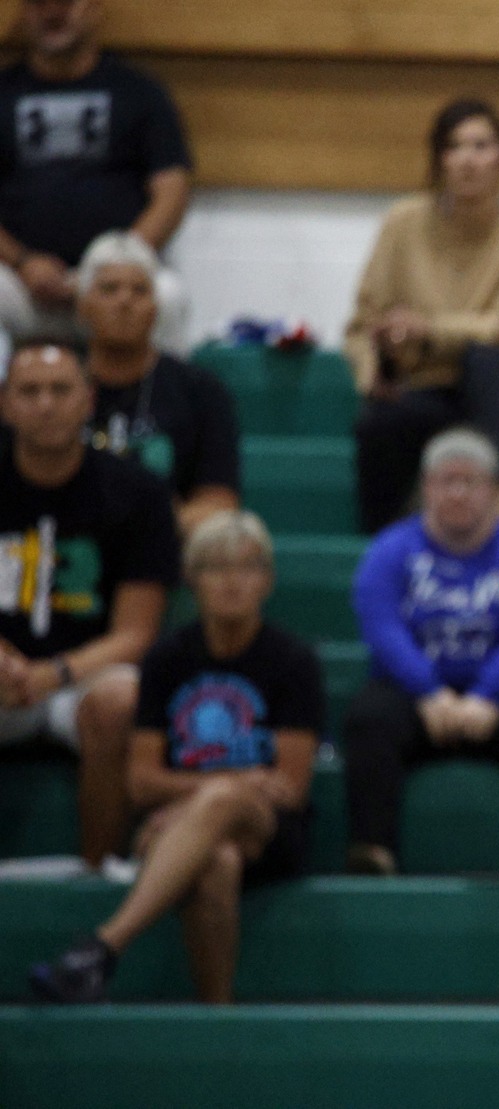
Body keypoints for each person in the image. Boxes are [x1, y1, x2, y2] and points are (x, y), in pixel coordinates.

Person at [28, 511, 322, 1003]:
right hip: (184, 829)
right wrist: (238, 782)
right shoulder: (167, 659)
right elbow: (140, 782)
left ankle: (106, 944)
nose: (231, 582)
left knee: (225, 799)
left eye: (246, 568)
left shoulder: (293, 661)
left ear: (267, 580)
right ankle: (217, 1019)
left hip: (267, 831)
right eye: (214, 568)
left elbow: (288, 789)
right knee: (217, 861)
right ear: (191, 579)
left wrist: (205, 795)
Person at [342, 428, 499, 877]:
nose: (458, 492)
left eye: (471, 481)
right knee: (368, 721)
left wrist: (490, 695)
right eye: (446, 480)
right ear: (427, 488)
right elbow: (381, 627)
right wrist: (428, 691)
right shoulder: (390, 550)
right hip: (419, 698)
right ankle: (373, 851)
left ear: (494, 491)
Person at [347, 97, 499, 534]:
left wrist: (430, 331)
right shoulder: (402, 222)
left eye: (481, 146)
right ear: (438, 159)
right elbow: (362, 324)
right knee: (380, 424)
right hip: (426, 384)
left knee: (484, 360)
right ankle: (384, 543)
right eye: (455, 146)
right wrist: (374, 373)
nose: (468, 159)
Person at [0, 339, 178, 865]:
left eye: (60, 390)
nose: (46, 404)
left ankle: (98, 874)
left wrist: (50, 674)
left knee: (122, 700)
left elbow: (135, 634)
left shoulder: (138, 492)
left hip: (79, 677)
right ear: (5, 403)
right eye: (29, 391)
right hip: (4, 672)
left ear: (88, 399)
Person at [0, 0, 191, 352]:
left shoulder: (139, 92)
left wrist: (116, 264)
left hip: (115, 276)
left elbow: (171, 191)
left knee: (167, 296)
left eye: (66, 2)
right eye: (39, 3)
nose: (53, 13)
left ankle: (156, 407)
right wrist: (23, 263)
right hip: (20, 280)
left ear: (95, 9)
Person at [78, 230, 239, 536]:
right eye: (109, 289)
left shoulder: (200, 390)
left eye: (139, 291)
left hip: (166, 541)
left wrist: (146, 522)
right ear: (83, 305)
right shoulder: (53, 386)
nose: (125, 301)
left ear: (156, 308)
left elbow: (219, 504)